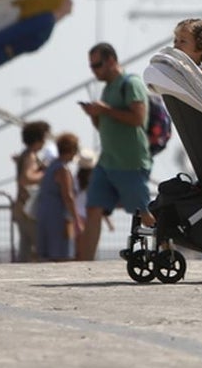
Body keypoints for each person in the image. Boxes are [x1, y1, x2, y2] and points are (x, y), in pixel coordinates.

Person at [77, 42, 154, 261]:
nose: (95, 71)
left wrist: (105, 110)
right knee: (93, 207)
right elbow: (105, 126)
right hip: (107, 162)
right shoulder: (108, 88)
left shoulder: (130, 83)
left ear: (111, 60)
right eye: (92, 67)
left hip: (130, 163)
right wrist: (94, 114)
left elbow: (138, 118)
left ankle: (167, 247)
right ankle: (85, 263)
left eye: (98, 65)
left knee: (144, 213)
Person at [34, 132, 82, 261]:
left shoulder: (51, 166)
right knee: (61, 254)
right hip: (58, 215)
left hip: (44, 212)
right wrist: (76, 220)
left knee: (47, 254)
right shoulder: (62, 169)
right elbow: (68, 196)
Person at [11, 121, 51, 263]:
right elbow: (26, 178)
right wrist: (45, 174)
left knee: (25, 248)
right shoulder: (31, 156)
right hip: (29, 209)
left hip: (21, 207)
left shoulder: (25, 155)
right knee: (41, 246)